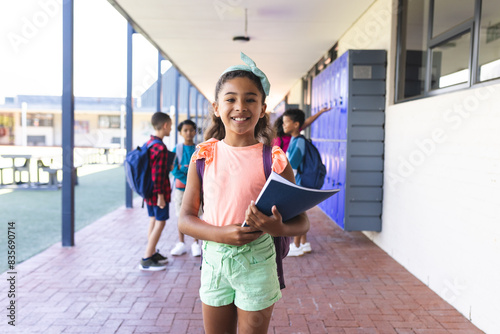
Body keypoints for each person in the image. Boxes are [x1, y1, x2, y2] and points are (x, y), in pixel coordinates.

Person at [178, 52, 310, 334]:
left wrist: (279, 228)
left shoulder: (274, 159)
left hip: (258, 263)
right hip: (214, 261)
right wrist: (220, 234)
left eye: (250, 99)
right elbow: (185, 219)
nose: (240, 106)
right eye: (231, 99)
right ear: (216, 107)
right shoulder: (203, 156)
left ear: (263, 108)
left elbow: (302, 222)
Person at [138, 111, 172, 271]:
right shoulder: (160, 147)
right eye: (170, 126)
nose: (171, 129)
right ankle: (146, 258)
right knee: (161, 222)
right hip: (158, 193)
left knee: (153, 220)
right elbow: (157, 174)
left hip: (148, 192)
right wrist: (161, 196)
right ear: (165, 125)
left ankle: (151, 253)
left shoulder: (149, 143)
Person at [281, 108, 311, 257]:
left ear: (296, 124)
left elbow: (293, 166)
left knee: (299, 213)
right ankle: (304, 244)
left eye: (286, 122)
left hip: (298, 183)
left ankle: (297, 245)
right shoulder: (296, 139)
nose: (283, 125)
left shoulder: (299, 141)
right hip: (299, 182)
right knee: (302, 210)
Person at [170, 119, 202, 257]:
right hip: (180, 189)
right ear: (180, 133)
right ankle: (181, 243)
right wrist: (189, 180)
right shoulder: (176, 150)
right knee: (180, 215)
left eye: (191, 130)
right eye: (185, 130)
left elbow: (201, 168)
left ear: (195, 131)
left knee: (195, 216)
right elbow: (173, 169)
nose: (188, 133)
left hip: (196, 190)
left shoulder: (199, 149)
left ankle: (195, 243)